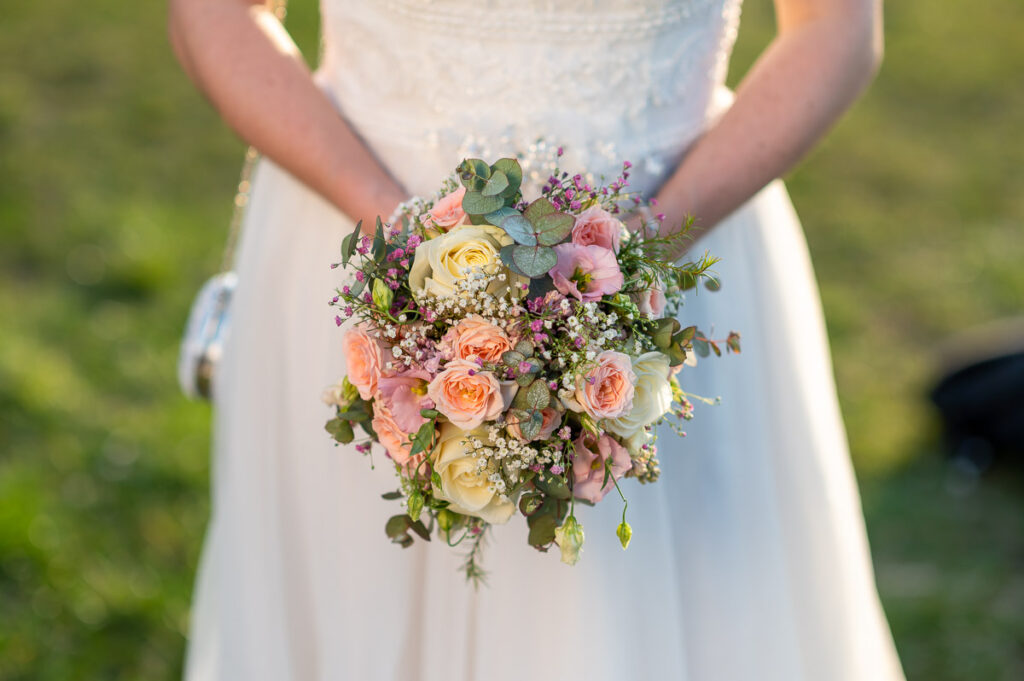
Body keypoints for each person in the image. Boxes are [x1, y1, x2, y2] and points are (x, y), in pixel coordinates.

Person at [169, 0, 905, 679]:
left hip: (674, 245)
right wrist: (411, 255)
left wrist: (635, 252)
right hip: (351, 232)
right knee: (347, 596)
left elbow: (834, 30)